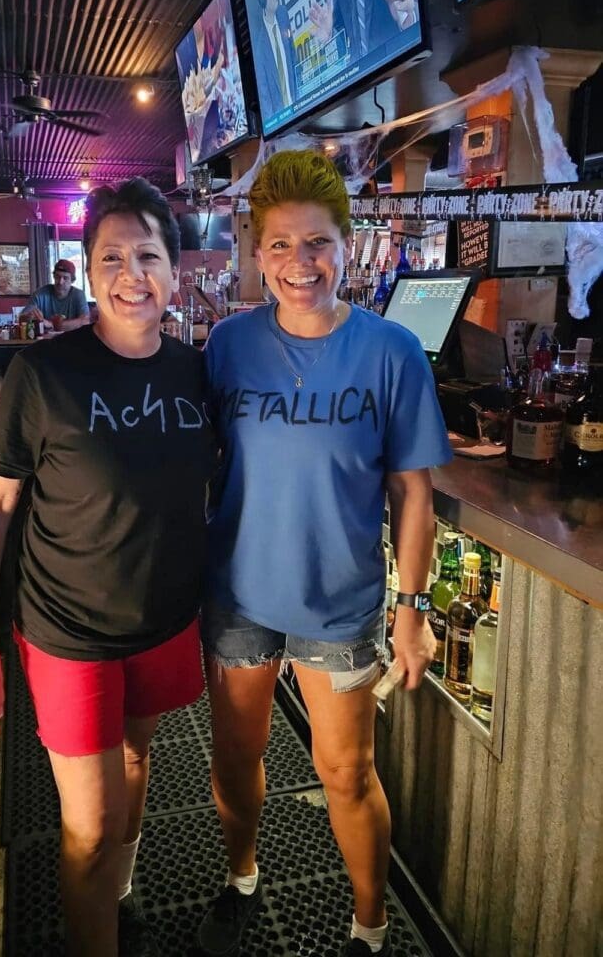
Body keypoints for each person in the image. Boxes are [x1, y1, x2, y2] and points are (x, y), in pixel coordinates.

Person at [197, 149, 451, 957]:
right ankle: (242, 879)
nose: (299, 264)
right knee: (237, 765)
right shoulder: (228, 346)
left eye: (316, 244)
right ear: (256, 252)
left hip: (339, 605)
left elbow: (415, 495)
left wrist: (413, 612)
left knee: (345, 773)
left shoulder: (392, 352)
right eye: (279, 245)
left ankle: (370, 925)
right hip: (237, 598)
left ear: (347, 244)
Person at [0, 178, 214, 957]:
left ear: (175, 271)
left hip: (166, 618)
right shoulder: (43, 374)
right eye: (112, 257)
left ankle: (120, 892)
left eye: (148, 255)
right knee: (88, 824)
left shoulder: (197, 371)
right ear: (87, 268)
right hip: (68, 630)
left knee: (138, 760)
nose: (132, 275)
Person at [249, 0, 297, 125]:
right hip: (282, 128)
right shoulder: (259, 48)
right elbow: (265, 102)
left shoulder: (283, 15)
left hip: (301, 112)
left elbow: (294, 63)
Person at [20, 258, 91, 331]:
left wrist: (52, 325)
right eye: (57, 277)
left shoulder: (78, 294)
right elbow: (22, 319)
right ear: (53, 277)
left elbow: (85, 321)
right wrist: (30, 317)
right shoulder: (40, 294)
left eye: (65, 278)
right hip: (46, 341)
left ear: (72, 280)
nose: (60, 282)